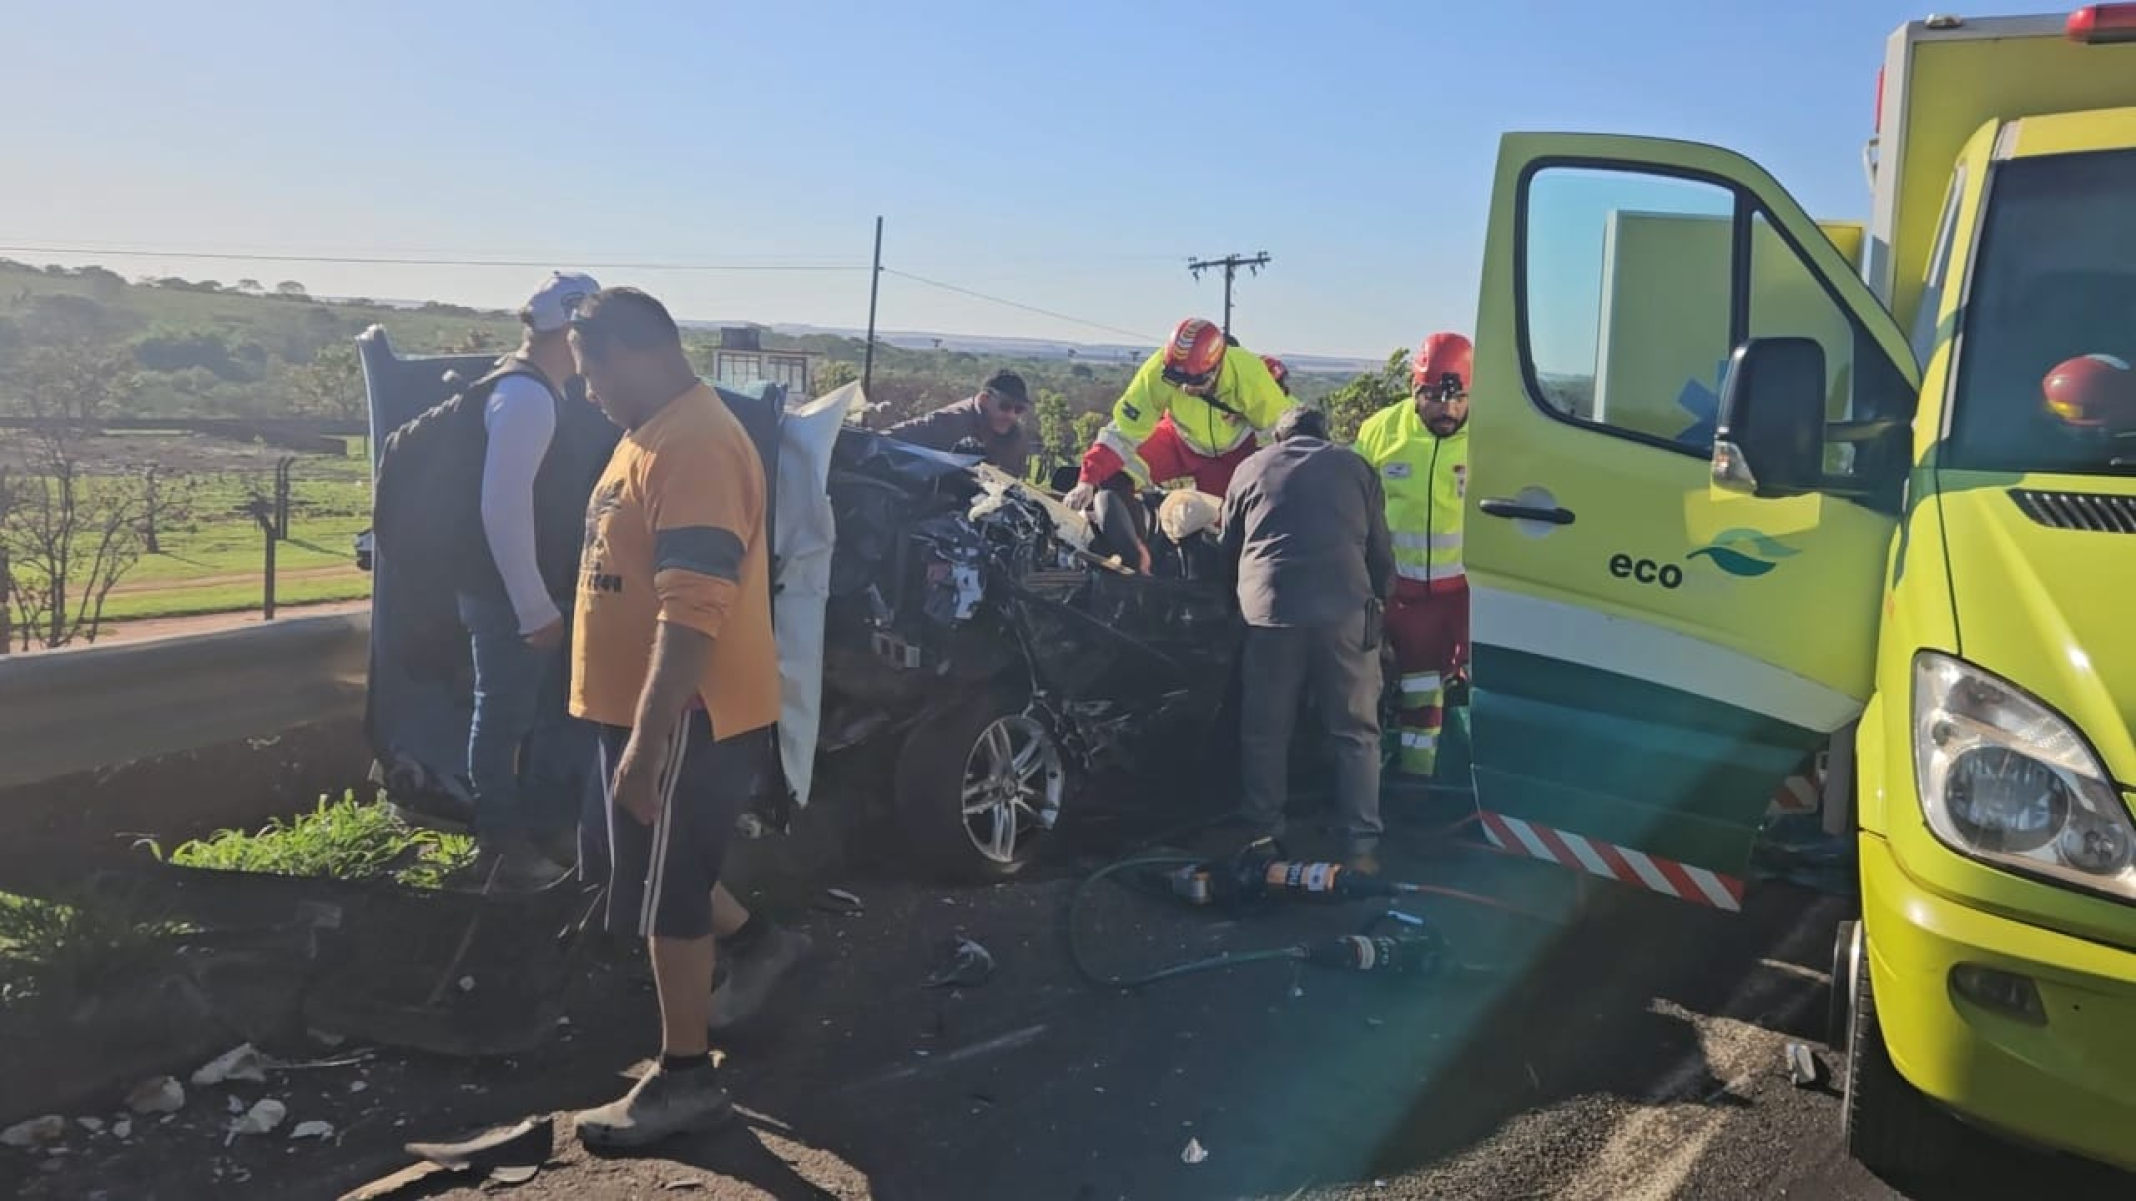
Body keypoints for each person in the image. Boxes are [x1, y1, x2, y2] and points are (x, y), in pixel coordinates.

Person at [563, 287, 812, 1147]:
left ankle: (683, 1079)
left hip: (685, 713)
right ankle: (761, 944)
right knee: (660, 867)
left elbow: (693, 607)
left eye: (592, 371)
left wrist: (649, 736)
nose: (587, 389)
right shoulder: (650, 435)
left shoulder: (697, 444)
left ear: (636, 353)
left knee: (668, 896)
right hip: (647, 710)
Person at [459, 271, 616, 890]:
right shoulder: (526, 398)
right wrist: (532, 607)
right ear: (570, 334)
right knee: (504, 719)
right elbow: (502, 506)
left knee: (534, 716)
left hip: (523, 594)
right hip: (514, 600)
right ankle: (501, 849)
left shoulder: (523, 386)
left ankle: (538, 838)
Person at [1219, 406, 1394, 871]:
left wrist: (1230, 605)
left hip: (1269, 612)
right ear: (1324, 435)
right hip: (1344, 610)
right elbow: (1380, 551)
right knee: (1356, 732)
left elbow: (1228, 548)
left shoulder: (1250, 467)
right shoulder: (1356, 467)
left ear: (1280, 437)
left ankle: (1263, 837)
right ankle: (1362, 848)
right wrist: (1381, 600)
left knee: (1265, 732)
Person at [1354, 332, 1472, 780]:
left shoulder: (1493, 436)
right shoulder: (1380, 430)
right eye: (1435, 398)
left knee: (1435, 691)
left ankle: (1424, 784)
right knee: (1382, 689)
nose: (1449, 410)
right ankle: (1386, 780)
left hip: (1460, 595)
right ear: (1413, 390)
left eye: (1458, 397)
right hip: (1391, 591)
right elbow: (1354, 506)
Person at [1064, 317, 1290, 509]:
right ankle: (1136, 551)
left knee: (1224, 526)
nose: (1185, 388)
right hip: (1177, 440)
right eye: (1177, 379)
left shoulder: (1250, 376)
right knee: (1114, 476)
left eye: (1194, 380)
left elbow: (1290, 427)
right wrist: (1087, 480)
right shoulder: (1157, 370)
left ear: (1217, 366)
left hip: (1231, 456)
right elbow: (1123, 429)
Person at [886, 369, 1033, 477]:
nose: (1012, 416)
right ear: (984, 399)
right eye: (1005, 406)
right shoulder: (950, 422)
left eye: (1019, 409)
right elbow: (890, 439)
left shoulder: (1016, 438)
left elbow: (1012, 482)